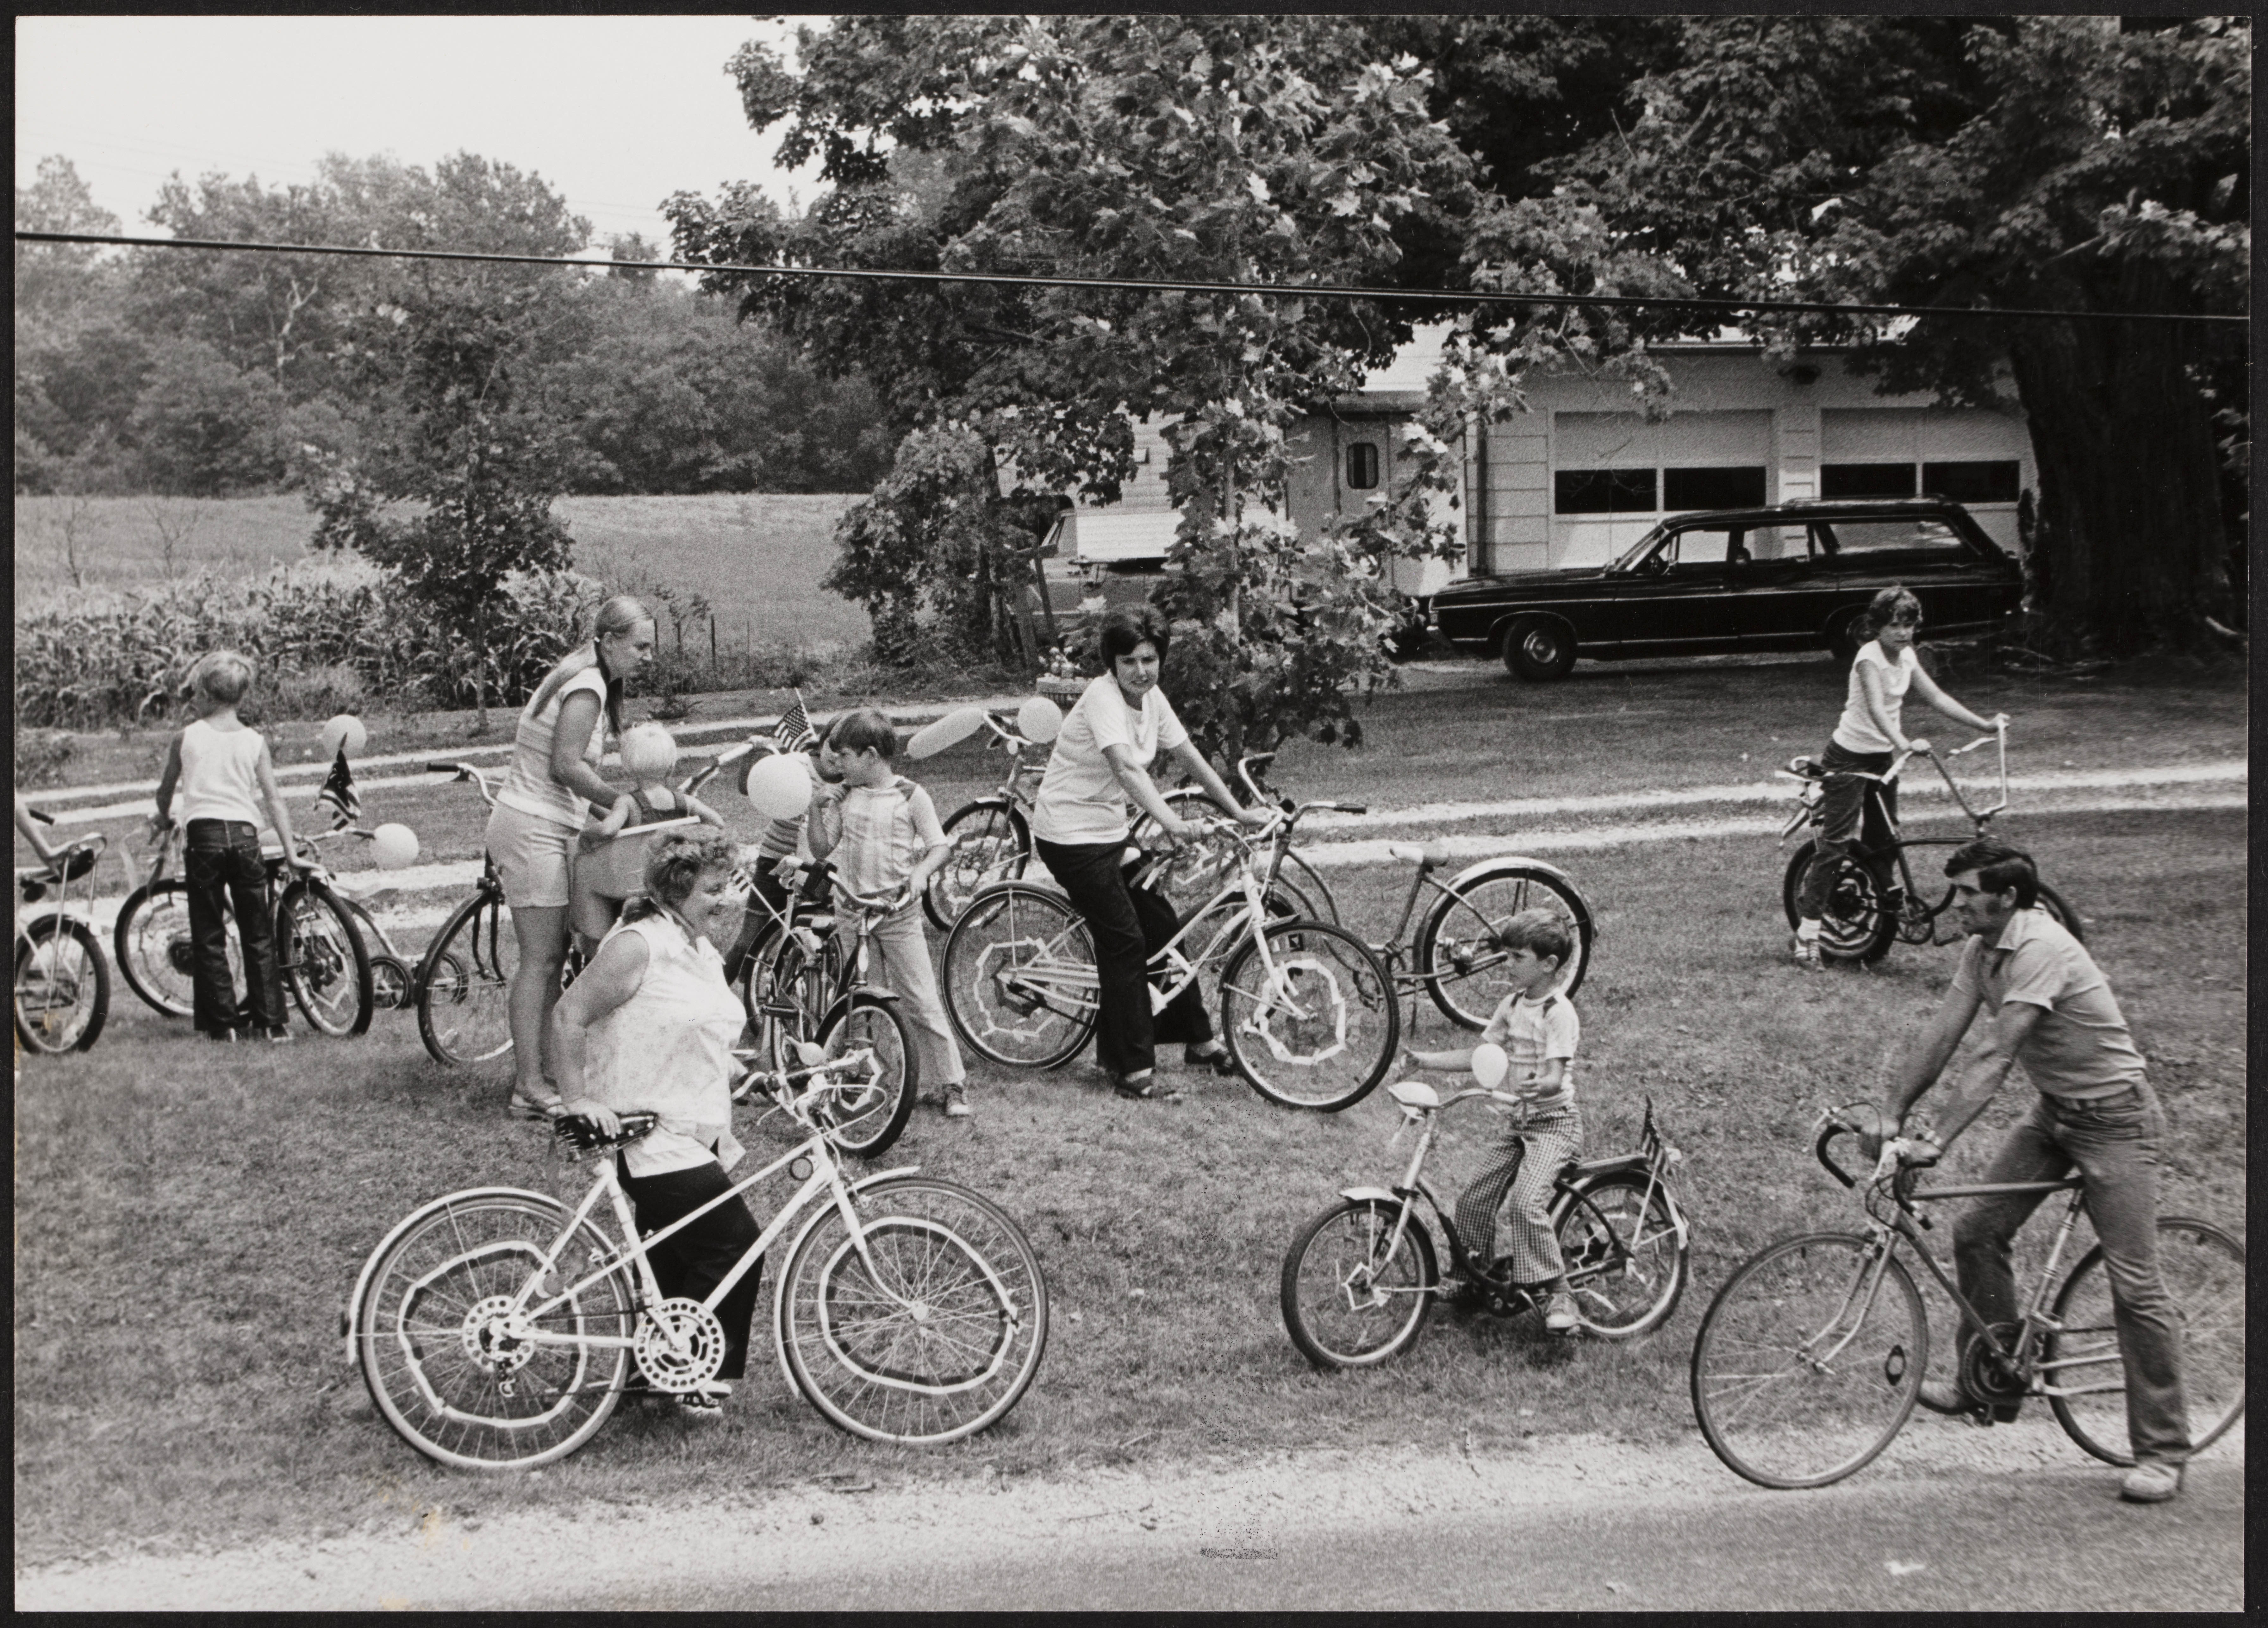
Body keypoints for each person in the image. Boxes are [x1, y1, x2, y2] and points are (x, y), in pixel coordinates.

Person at [1884, 841, 2189, 1504]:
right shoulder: (1980, 949)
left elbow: (1994, 1054)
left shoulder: (2042, 947)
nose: (1955, 903)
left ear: (2007, 899)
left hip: (2117, 1121)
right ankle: (1988, 1378)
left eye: (1967, 893)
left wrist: (1934, 1138)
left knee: (2134, 1287)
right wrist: (1890, 1111)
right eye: (1956, 892)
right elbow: (1942, 1035)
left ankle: (2162, 1450)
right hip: (2056, 1114)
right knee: (1976, 1230)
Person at [1027, 605, 1269, 1102]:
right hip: (1070, 836)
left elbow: (1191, 757)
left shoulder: (1152, 698)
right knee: (1125, 942)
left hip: (1110, 832)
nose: (1141, 670)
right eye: (1130, 661)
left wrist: (1239, 812)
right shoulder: (1102, 698)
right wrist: (1173, 823)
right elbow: (1127, 770)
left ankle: (1198, 1041)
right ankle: (1131, 1069)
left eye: (1149, 659)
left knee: (1163, 925)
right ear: (1112, 665)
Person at [552, 828, 755, 1417]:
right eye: (713, 889)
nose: (726, 898)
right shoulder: (638, 944)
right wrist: (575, 1099)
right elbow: (568, 1013)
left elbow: (705, 1022)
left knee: (673, 1261)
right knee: (734, 1244)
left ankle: (648, 1374)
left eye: (729, 885)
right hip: (645, 1134)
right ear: (676, 891)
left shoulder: (693, 945)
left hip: (692, 1130)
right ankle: (696, 1374)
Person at [486, 595, 657, 1118]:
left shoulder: (582, 671)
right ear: (609, 640)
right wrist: (621, 801)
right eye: (641, 646)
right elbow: (564, 765)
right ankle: (529, 1087)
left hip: (541, 822)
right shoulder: (587, 685)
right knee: (539, 960)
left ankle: (546, 1075)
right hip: (531, 824)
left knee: (552, 957)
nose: (648, 656)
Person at [1792, 585, 2007, 969]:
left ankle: (1883, 918)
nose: (1903, 633)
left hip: (1882, 757)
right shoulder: (1867, 658)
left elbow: (1937, 697)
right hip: (1848, 758)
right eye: (1894, 625)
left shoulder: (1907, 655)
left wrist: (1984, 725)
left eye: (1909, 625)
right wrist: (1904, 742)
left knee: (1885, 841)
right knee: (1837, 842)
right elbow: (1876, 708)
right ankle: (1808, 932)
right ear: (1877, 627)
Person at [1404, 910, 1584, 1333]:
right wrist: (1423, 1061)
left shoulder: (1559, 1012)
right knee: (1473, 1200)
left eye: (1517, 957)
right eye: (1507, 955)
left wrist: (1540, 1085)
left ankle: (1558, 1291)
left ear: (1549, 965)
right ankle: (1471, 1278)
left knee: (1525, 1203)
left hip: (1554, 1124)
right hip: (1519, 1126)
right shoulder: (1512, 1005)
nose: (1508, 965)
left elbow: (1557, 1077)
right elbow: (1477, 1056)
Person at [806, 709, 971, 1119]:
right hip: (852, 912)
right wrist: (814, 810)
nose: (837, 764)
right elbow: (824, 849)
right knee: (863, 998)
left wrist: (919, 876)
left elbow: (939, 846)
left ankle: (951, 1084)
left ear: (872, 755)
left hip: (896, 914)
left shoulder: (912, 795)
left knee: (920, 1000)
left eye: (844, 755)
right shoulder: (846, 795)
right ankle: (880, 1077)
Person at [146, 651, 305, 1042]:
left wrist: (163, 818)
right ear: (241, 696)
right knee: (258, 931)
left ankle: (223, 1024)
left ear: (204, 693)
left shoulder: (186, 737)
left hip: (204, 841)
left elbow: (165, 791)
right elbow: (274, 799)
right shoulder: (255, 741)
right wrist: (290, 850)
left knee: (209, 931)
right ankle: (272, 1023)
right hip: (246, 839)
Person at [570, 722, 726, 957]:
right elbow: (718, 824)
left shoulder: (628, 803)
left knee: (585, 874)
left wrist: (588, 836)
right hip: (673, 881)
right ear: (671, 767)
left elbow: (609, 830)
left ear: (628, 767)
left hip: (634, 885)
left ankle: (594, 944)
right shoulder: (685, 802)